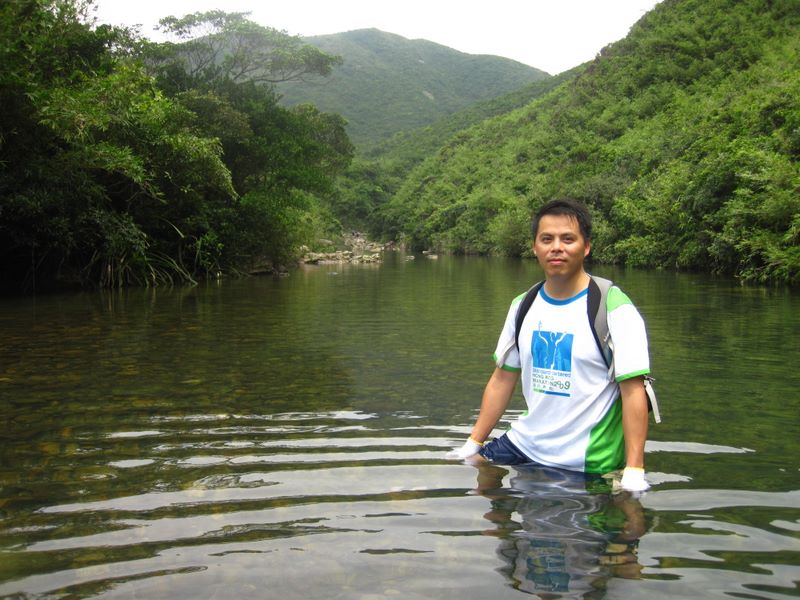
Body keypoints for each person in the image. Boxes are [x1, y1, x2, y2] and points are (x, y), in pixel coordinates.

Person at [446, 199, 652, 492]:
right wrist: (474, 442)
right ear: (535, 247)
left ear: (586, 247)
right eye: (547, 239)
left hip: (587, 461)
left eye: (568, 239)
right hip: (525, 444)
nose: (556, 247)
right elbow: (502, 379)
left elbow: (633, 391)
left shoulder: (613, 308)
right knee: (480, 484)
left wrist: (634, 468)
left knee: (617, 516)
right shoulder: (523, 305)